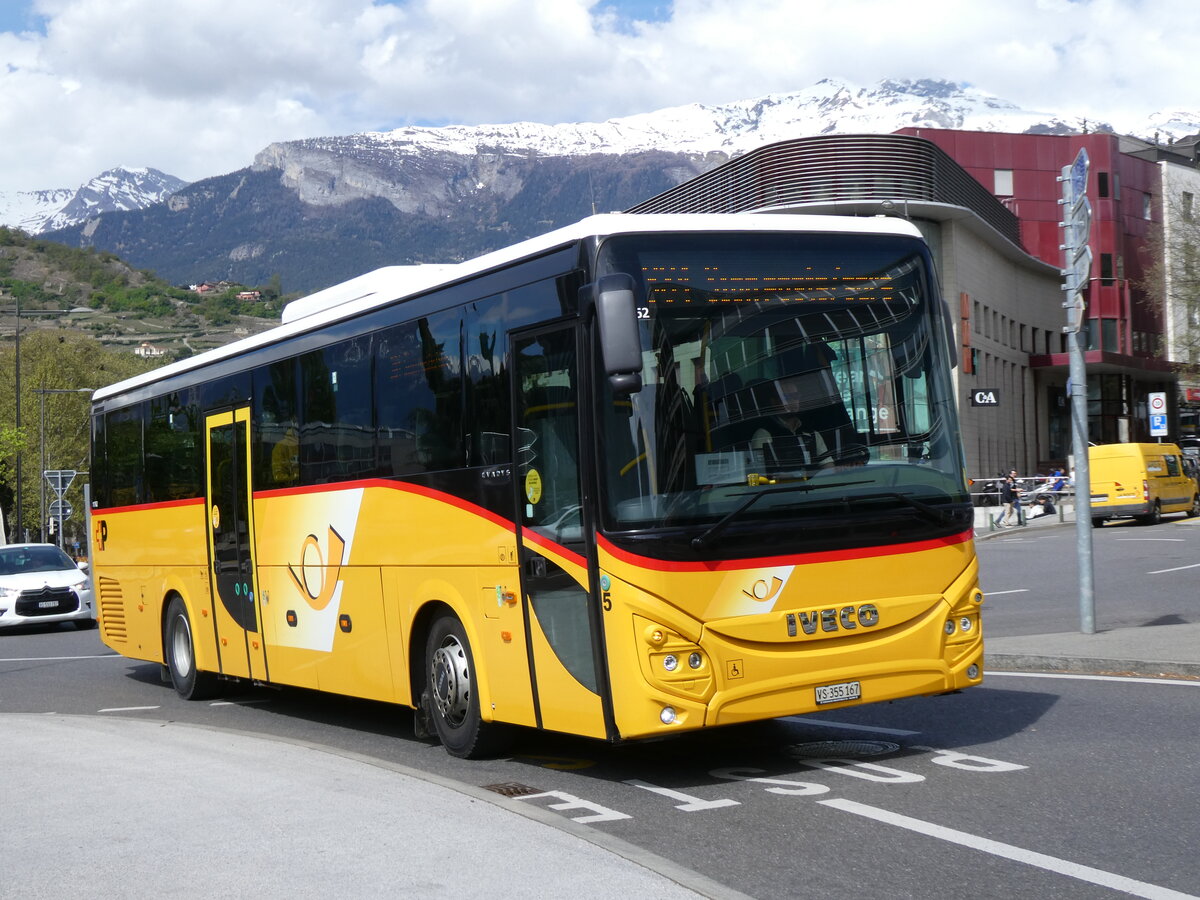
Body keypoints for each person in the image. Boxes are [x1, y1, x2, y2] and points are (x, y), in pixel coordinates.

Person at [751, 343, 869, 471]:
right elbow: (760, 474)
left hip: (814, 489)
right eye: (787, 398)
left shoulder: (811, 434)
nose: (793, 401)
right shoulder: (765, 434)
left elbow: (828, 469)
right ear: (773, 402)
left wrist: (848, 468)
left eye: (795, 396)